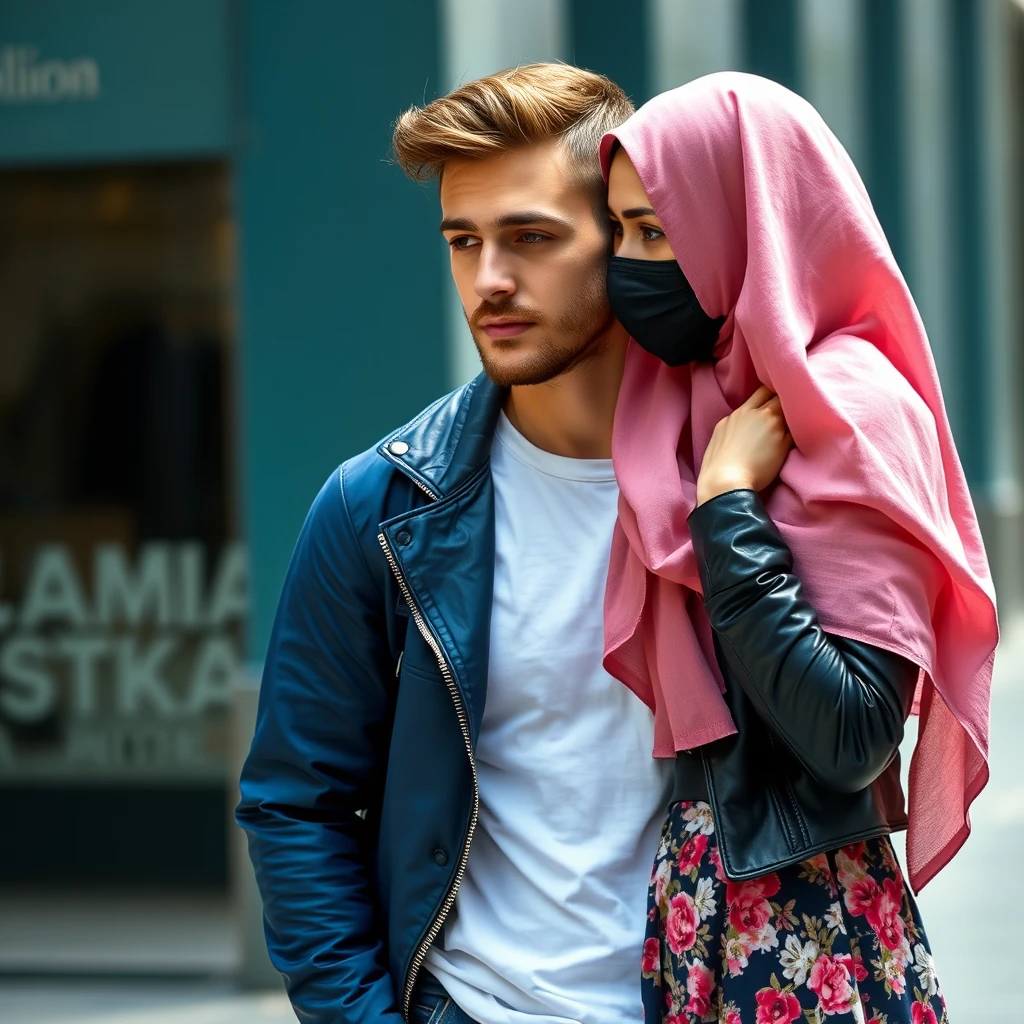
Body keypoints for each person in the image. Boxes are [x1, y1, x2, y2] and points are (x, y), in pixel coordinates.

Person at [236, 63, 673, 1024]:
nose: (489, 281)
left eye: (530, 238)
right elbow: (294, 803)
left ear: (628, 238)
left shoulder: (735, 481)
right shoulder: (378, 509)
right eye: (463, 241)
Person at [601, 72, 998, 1023]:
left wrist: (730, 508)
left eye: (656, 234)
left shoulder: (852, 412)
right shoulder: (681, 404)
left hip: (807, 929)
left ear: (747, 223)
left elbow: (851, 734)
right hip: (698, 910)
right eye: (616, 232)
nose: (626, 266)